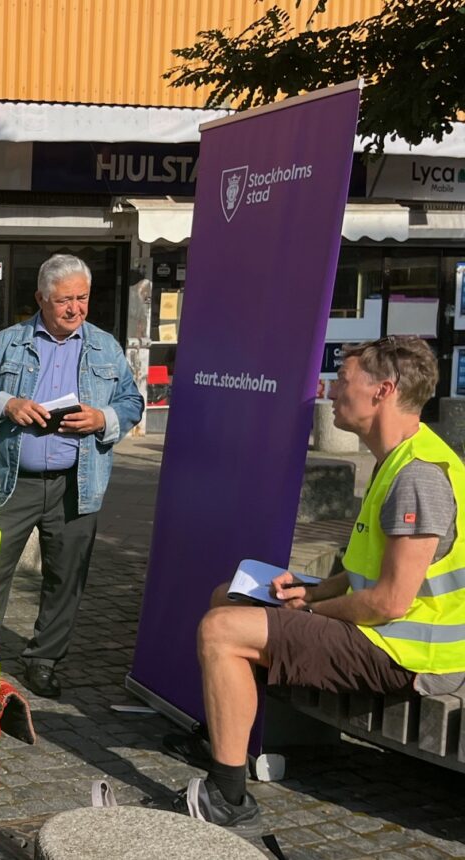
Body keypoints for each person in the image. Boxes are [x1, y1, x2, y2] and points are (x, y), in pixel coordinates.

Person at [170, 337, 465, 836]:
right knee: (230, 595)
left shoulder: (417, 477)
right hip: (383, 632)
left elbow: (391, 600)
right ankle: (224, 738)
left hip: (406, 654)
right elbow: (371, 568)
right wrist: (314, 593)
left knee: (221, 630)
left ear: (383, 391)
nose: (329, 390)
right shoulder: (396, 458)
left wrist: (310, 615)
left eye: (344, 381)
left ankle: (227, 797)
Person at [0, 254, 144, 698]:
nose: (75, 308)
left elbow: (133, 400)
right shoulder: (4, 344)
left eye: (82, 298)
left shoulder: (105, 347)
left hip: (78, 481)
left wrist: (103, 418)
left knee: (65, 577)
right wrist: (6, 405)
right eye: (64, 300)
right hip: (11, 482)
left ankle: (44, 661)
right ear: (40, 299)